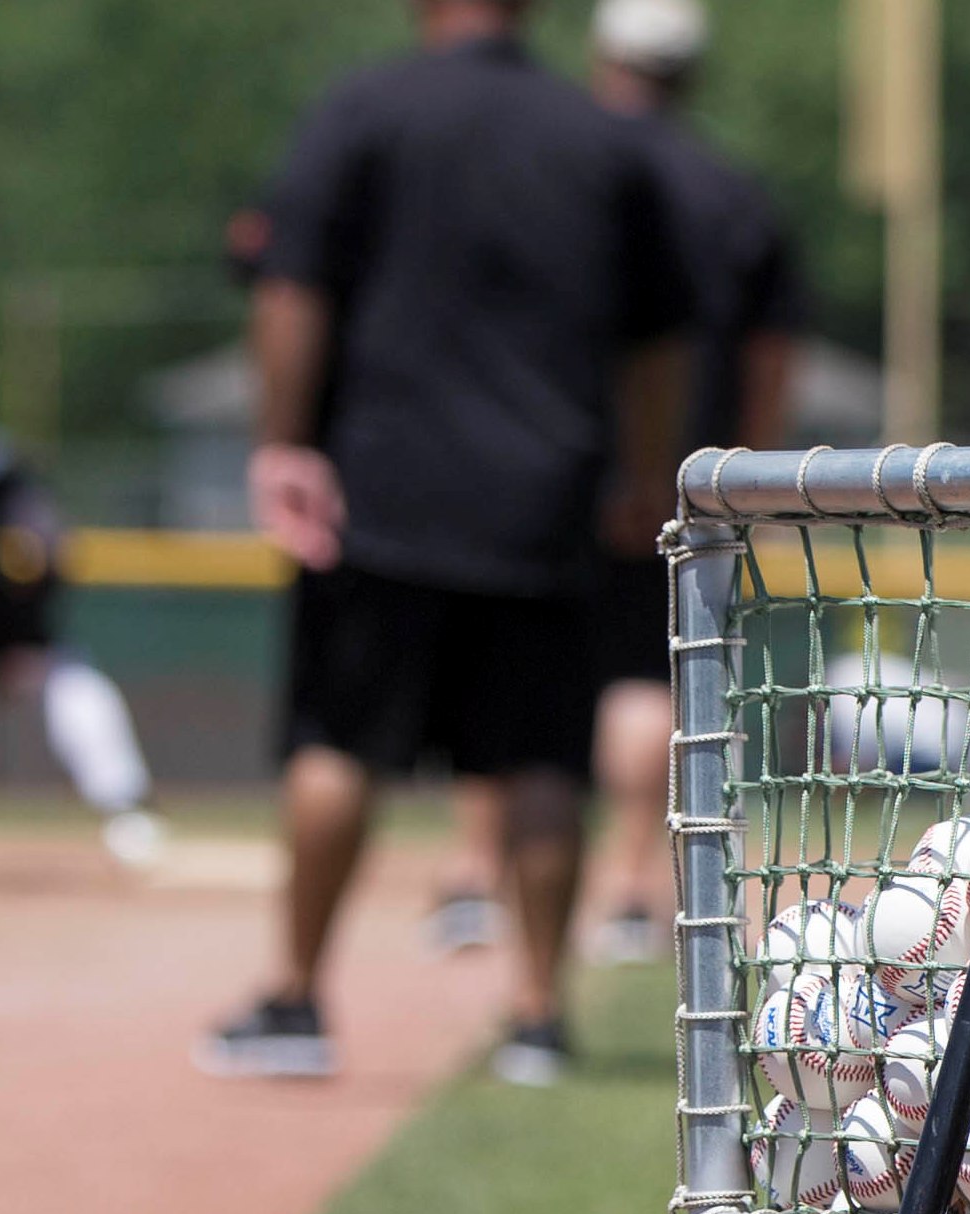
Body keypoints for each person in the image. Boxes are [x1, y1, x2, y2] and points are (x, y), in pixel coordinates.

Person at [200, 0, 691, 1083]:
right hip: (541, 496)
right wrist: (643, 470)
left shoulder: (366, 109)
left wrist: (283, 444)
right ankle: (535, 1017)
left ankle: (294, 1002)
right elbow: (657, 337)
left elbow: (292, 286)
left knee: (337, 745)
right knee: (537, 761)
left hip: (379, 492)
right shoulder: (596, 137)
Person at [583, 0, 805, 965]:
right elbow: (770, 349)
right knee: (665, 677)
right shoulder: (731, 190)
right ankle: (650, 886)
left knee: (554, 691)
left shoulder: (565, 165)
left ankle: (511, 879)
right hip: (690, 477)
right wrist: (743, 466)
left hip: (557, 466)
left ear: (603, 57)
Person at [0, 341, 162, 867]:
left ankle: (127, 808)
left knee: (69, 681)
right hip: (8, 609)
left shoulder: (1, 470)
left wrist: (21, 625)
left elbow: (45, 552)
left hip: (5, 610)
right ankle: (128, 811)